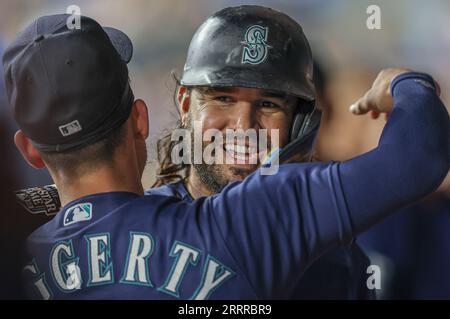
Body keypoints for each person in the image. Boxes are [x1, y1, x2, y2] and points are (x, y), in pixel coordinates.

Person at [4, 9, 448, 300]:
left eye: (269, 105)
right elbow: (419, 155)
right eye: (221, 98)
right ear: (182, 105)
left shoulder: (337, 253)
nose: (242, 126)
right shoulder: (142, 222)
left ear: (303, 122)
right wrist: (409, 83)